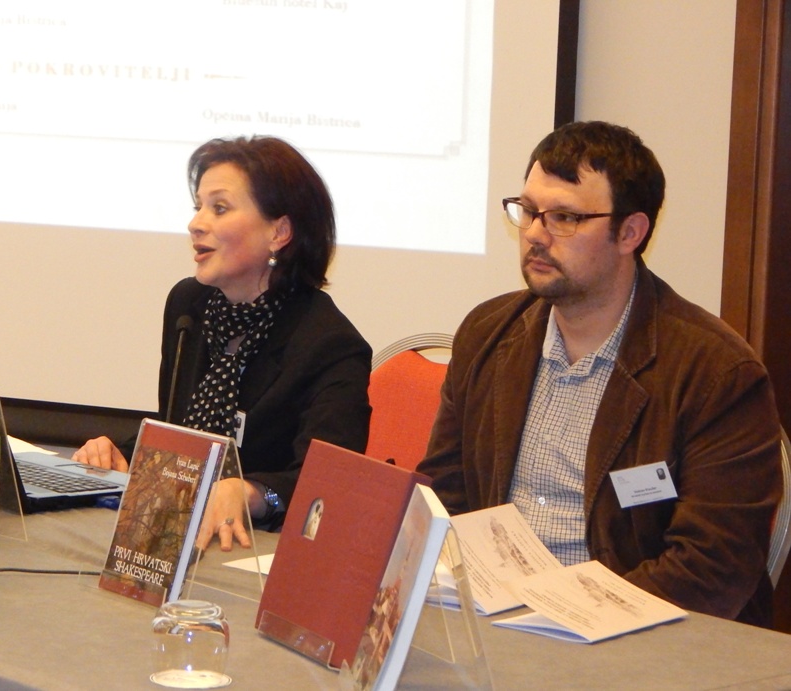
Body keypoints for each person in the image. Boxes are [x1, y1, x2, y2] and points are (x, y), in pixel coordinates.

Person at [417, 121, 783, 627]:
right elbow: (444, 497)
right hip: (497, 624)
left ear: (630, 233)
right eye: (528, 211)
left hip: (634, 636)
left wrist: (562, 617)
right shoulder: (488, 334)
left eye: (564, 217)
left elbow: (712, 568)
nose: (535, 234)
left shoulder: (717, 372)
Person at [74, 135, 372, 550]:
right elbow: (179, 434)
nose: (196, 224)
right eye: (198, 206)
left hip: (258, 550)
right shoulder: (190, 307)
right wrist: (119, 453)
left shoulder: (329, 345)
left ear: (279, 232)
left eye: (219, 208)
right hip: (176, 535)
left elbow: (328, 488)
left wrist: (252, 492)